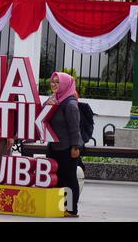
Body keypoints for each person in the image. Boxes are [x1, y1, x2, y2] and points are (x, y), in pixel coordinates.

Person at [45, 72, 82, 218]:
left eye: (57, 82)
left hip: (67, 148)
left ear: (65, 85)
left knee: (70, 178)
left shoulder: (70, 104)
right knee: (57, 178)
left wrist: (75, 147)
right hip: (54, 146)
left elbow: (75, 128)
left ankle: (72, 210)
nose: (53, 84)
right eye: (52, 82)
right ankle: (60, 207)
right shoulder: (55, 99)